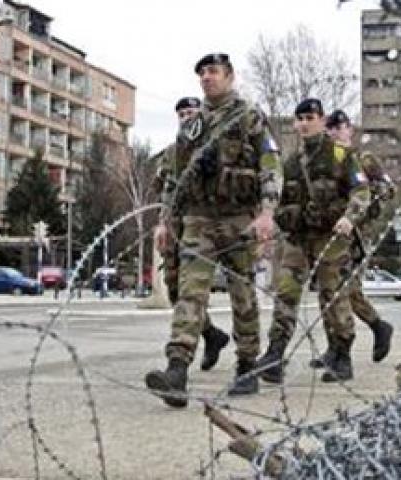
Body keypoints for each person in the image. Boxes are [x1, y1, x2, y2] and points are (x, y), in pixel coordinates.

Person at [144, 54, 281, 407]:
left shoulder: (248, 116)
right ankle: (177, 369)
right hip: (199, 219)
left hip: (238, 218)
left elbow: (270, 164)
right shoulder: (192, 125)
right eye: (202, 73)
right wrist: (165, 221)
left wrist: (267, 213)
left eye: (213, 71)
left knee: (242, 294)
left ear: (229, 76)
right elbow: (175, 179)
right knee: (190, 292)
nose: (207, 77)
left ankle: (247, 363)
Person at [256, 99, 370, 384]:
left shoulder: (341, 155)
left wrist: (350, 217)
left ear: (322, 120)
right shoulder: (292, 162)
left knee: (333, 296)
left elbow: (361, 191)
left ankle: (342, 354)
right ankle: (275, 354)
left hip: (331, 238)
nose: (304, 124)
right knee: (286, 293)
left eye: (310, 118)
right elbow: (280, 198)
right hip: (298, 239)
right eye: (300, 119)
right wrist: (278, 218)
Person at [306, 110, 394, 369]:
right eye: (331, 128)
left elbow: (388, 189)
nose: (335, 132)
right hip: (330, 235)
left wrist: (364, 199)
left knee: (343, 291)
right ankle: (336, 346)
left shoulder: (363, 159)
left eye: (340, 126)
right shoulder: (325, 161)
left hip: (356, 237)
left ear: (350, 129)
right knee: (329, 292)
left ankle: (355, 340)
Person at [151, 96, 230, 372]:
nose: (186, 118)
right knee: (176, 289)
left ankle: (179, 360)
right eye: (182, 114)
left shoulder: (215, 146)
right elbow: (165, 188)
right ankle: (211, 334)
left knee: (191, 289)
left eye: (191, 113)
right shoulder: (173, 152)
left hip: (205, 224)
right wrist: (163, 223)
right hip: (176, 224)